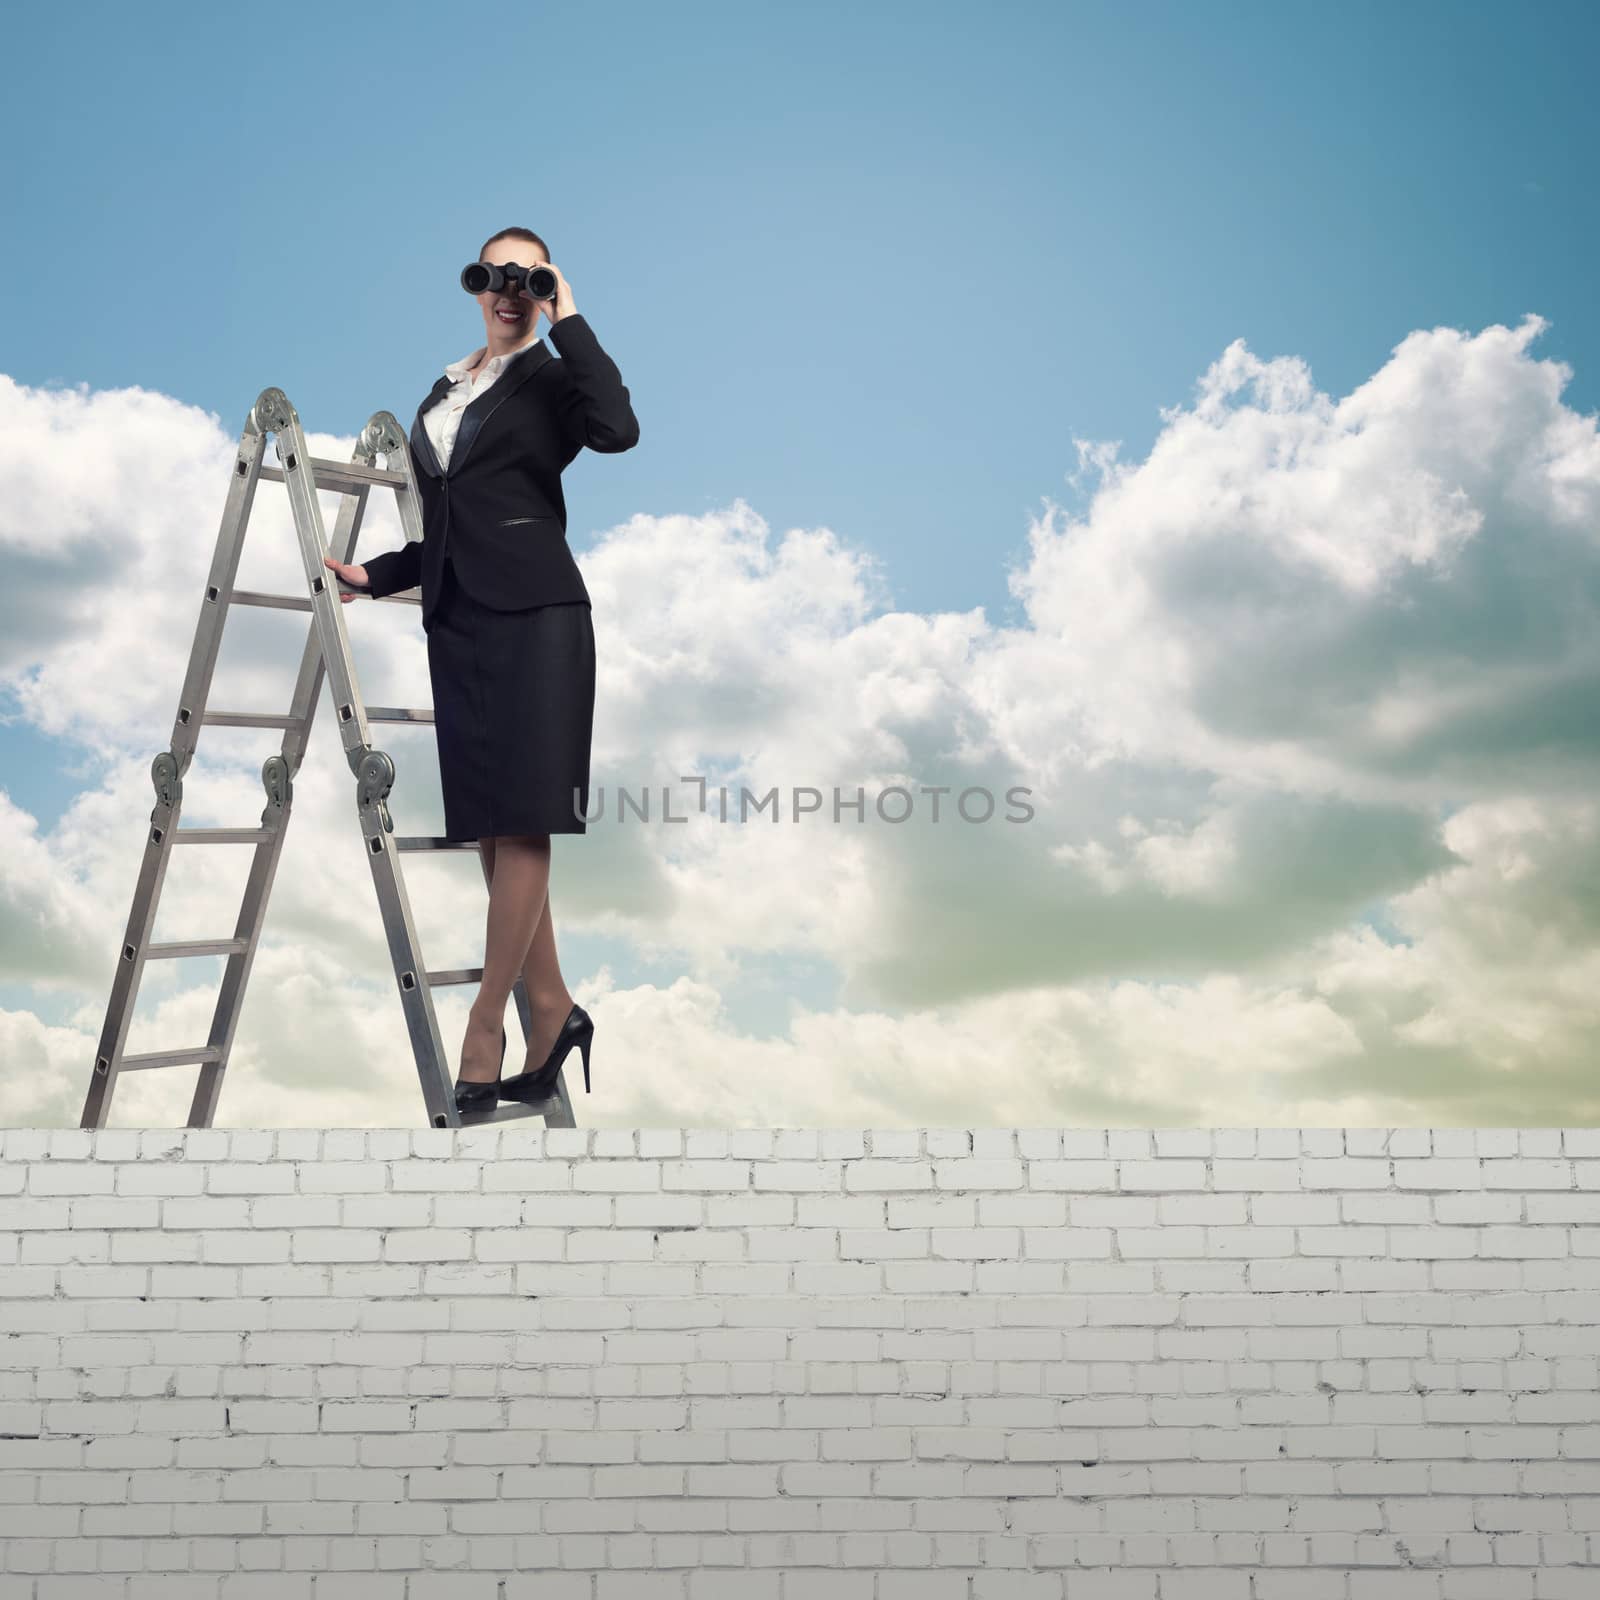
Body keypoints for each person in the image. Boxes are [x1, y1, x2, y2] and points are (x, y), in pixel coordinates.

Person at [323, 226, 638, 1115]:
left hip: (540, 618)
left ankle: (487, 1020)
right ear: (474, 286)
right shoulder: (447, 387)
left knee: (526, 823)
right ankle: (554, 1006)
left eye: (525, 280)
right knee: (491, 833)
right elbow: (451, 516)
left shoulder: (552, 381)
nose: (507, 292)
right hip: (459, 621)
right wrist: (379, 575)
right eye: (494, 277)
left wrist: (568, 318)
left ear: (542, 289)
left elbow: (620, 428)